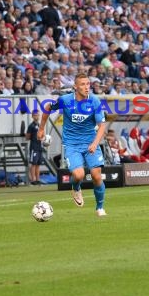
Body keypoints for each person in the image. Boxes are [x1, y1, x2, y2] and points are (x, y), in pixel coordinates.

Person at [37, 73, 108, 217]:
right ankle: (76, 187)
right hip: (72, 144)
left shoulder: (94, 101)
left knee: (96, 175)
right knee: (78, 174)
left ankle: (100, 208)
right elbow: (48, 107)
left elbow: (101, 126)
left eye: (88, 84)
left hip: (90, 143)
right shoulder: (65, 100)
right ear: (75, 87)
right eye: (83, 84)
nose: (87, 87)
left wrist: (95, 143)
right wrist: (41, 128)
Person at [25, 110, 43, 185]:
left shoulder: (40, 125)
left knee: (38, 164)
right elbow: (27, 137)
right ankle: (33, 179)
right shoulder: (31, 126)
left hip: (39, 147)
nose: (37, 116)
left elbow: (42, 135)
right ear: (32, 116)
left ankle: (38, 179)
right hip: (34, 147)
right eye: (35, 115)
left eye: (38, 115)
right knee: (33, 163)